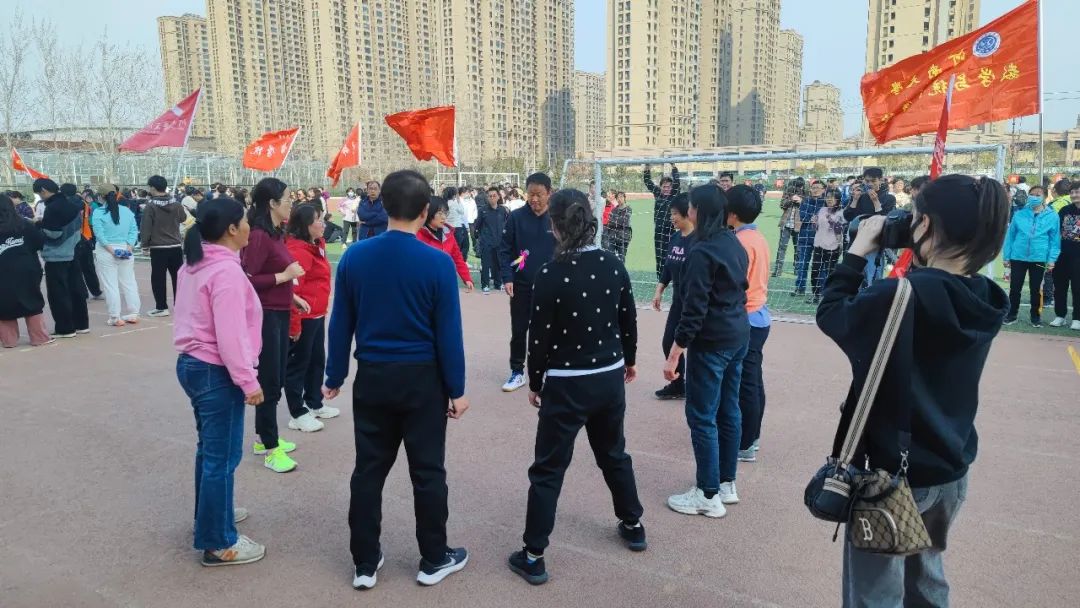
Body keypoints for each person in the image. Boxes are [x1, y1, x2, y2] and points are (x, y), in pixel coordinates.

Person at [816, 174, 1010, 607]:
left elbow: (832, 314)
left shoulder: (900, 295)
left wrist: (856, 252)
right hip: (949, 469)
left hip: (891, 475)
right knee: (926, 580)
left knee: (874, 594)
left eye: (914, 217)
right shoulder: (985, 296)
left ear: (926, 226)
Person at [323, 169, 471, 590]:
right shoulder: (437, 262)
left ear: (383, 205)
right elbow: (448, 333)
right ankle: (434, 557)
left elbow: (341, 322)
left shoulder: (354, 257)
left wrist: (335, 374)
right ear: (425, 211)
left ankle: (365, 562)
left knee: (368, 470)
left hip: (373, 377)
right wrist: (457, 389)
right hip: (423, 380)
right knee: (428, 471)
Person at [508, 188, 645, 585]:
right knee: (613, 453)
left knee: (549, 468)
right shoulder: (613, 264)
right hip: (608, 378)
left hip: (567, 384)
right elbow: (628, 319)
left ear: (554, 226)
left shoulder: (550, 273)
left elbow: (539, 336)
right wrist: (629, 360)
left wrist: (535, 381)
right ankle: (633, 524)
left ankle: (533, 555)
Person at [174, 196, 267, 567]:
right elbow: (230, 334)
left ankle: (212, 515)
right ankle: (218, 540)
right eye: (245, 221)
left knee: (210, 451)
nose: (249, 227)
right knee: (222, 457)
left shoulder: (196, 263)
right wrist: (248, 381)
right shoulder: (224, 271)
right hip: (216, 370)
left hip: (195, 365)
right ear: (231, 228)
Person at [663, 184, 749, 518]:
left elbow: (694, 309)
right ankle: (725, 483)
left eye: (692, 207)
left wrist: (675, 352)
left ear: (700, 210)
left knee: (702, 415)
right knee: (728, 409)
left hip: (713, 343)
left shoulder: (703, 251)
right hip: (736, 336)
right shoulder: (732, 242)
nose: (689, 212)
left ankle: (708, 493)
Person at [241, 177, 303, 474]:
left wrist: (293, 296)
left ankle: (262, 437)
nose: (291, 204)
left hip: (279, 311)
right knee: (269, 381)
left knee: (275, 378)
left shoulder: (275, 233)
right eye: (288, 199)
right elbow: (247, 279)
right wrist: (284, 277)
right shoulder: (258, 236)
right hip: (265, 316)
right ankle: (270, 447)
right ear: (272, 203)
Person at [498, 173, 557, 392]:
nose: (534, 199)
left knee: (550, 330)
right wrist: (508, 277)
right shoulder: (516, 217)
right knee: (519, 330)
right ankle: (517, 372)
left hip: (551, 287)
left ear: (549, 193)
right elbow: (505, 250)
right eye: (531, 194)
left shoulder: (557, 217)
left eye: (539, 194)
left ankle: (550, 369)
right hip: (522, 285)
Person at [283, 204, 339, 433]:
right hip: (303, 317)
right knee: (298, 365)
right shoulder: (298, 251)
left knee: (316, 360)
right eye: (318, 220)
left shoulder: (316, 245)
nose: (323, 223)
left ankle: (314, 402)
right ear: (306, 225)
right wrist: (295, 326)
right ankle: (297, 412)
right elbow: (292, 294)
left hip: (317, 314)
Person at [725, 186, 771, 463]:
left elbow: (734, 284)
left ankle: (746, 442)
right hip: (758, 315)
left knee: (746, 384)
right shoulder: (756, 237)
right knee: (753, 381)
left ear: (732, 213)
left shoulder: (740, 242)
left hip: (747, 318)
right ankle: (751, 438)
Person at [34, 178, 90, 338]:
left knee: (58, 294)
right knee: (76, 290)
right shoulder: (72, 204)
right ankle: (82, 325)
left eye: (39, 193)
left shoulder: (52, 208)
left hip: (56, 256)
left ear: (44, 190)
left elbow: (53, 233)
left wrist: (38, 225)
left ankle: (65, 328)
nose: (40, 197)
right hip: (73, 251)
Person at [652, 193, 693, 400]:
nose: (672, 218)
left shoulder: (700, 240)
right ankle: (678, 385)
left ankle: (701, 388)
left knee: (697, 347)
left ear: (688, 213)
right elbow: (668, 266)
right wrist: (659, 289)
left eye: (675, 213)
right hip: (678, 301)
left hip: (695, 303)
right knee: (669, 341)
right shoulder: (676, 238)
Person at [0, 193, 53, 348]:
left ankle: (9, 341)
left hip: (3, 271)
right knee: (32, 300)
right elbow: (40, 242)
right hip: (27, 268)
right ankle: (39, 337)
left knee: (4, 304)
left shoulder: (24, 223)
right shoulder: (25, 224)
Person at [1003, 191, 1060, 327]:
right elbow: (1010, 236)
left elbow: (1055, 240)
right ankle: (1012, 315)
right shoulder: (1019, 214)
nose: (1034, 197)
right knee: (1015, 288)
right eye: (1032, 194)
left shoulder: (1052, 216)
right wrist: (1006, 256)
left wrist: (1051, 259)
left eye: (1038, 194)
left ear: (1044, 197)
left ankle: (1035, 317)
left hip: (1039, 258)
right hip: (1018, 257)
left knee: (1036, 289)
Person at [90, 188, 141, 326]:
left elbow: (99, 234)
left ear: (101, 197)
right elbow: (133, 230)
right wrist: (129, 248)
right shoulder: (127, 211)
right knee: (129, 282)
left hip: (106, 250)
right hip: (125, 248)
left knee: (110, 285)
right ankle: (134, 313)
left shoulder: (98, 212)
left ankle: (115, 316)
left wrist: (112, 250)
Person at [140, 175, 187, 318]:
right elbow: (183, 218)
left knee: (158, 278)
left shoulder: (150, 206)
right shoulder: (176, 204)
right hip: (176, 246)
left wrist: (144, 245)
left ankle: (161, 307)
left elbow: (146, 227)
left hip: (158, 247)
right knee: (178, 278)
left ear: (153, 188)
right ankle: (181, 306)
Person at [844, 168, 896, 287]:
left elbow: (885, 220)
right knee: (854, 276)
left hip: (875, 242)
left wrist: (876, 202)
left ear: (881, 180)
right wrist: (854, 200)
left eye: (873, 181)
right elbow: (848, 216)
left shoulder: (889, 198)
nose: (870, 184)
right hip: (857, 240)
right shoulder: (860, 196)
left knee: (873, 276)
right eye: (867, 181)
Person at [417, 196, 475, 290]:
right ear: (429, 213)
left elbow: (457, 257)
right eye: (440, 213)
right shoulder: (418, 235)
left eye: (445, 213)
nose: (444, 217)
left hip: (446, 283)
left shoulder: (448, 233)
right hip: (425, 286)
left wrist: (467, 278)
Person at [64, 183, 103, 301]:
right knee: (89, 267)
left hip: (72, 239)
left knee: (76, 269)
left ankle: (83, 294)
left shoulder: (65, 205)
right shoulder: (84, 203)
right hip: (86, 237)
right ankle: (96, 291)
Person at [1050, 182, 1080, 330]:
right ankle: (1060, 316)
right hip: (1062, 255)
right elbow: (1056, 232)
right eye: (1072, 192)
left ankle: (1077, 318)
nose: (1074, 195)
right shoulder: (1064, 210)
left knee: (1077, 288)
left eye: (1077, 192)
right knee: (1060, 287)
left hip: (1078, 257)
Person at [644, 164, 681, 280]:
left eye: (668, 187)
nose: (666, 189)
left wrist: (674, 167)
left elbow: (677, 182)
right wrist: (647, 169)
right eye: (664, 187)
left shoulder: (673, 195)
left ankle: (673, 276)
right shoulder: (658, 194)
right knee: (659, 255)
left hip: (670, 230)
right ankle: (660, 277)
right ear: (660, 187)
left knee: (671, 255)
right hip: (659, 231)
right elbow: (648, 182)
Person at [809, 188, 846, 304]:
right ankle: (815, 295)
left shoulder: (841, 212)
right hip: (818, 244)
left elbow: (839, 230)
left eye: (832, 197)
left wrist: (831, 221)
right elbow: (816, 228)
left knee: (830, 273)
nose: (829, 199)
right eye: (828, 197)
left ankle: (829, 296)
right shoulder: (822, 210)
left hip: (832, 246)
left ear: (837, 199)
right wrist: (814, 223)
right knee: (815, 271)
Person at [793, 181, 827, 296]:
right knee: (802, 264)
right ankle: (800, 288)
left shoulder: (826, 202)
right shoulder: (806, 201)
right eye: (813, 187)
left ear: (823, 189)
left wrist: (818, 218)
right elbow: (803, 216)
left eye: (818, 187)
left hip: (821, 239)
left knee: (820, 266)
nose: (815, 190)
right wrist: (814, 217)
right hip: (805, 237)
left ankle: (820, 290)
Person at [473, 186, 509, 294]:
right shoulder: (482, 210)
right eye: (490, 196)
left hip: (499, 242)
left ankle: (498, 283)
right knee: (486, 264)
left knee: (498, 263)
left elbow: (506, 224)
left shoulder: (503, 210)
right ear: (487, 197)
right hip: (486, 242)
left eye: (494, 196)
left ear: (498, 197)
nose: (492, 198)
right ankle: (485, 285)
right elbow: (477, 226)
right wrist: (479, 237)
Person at [773, 178, 805, 277]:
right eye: (797, 186)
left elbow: (808, 208)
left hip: (799, 225)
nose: (798, 188)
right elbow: (782, 205)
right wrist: (791, 199)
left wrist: (801, 201)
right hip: (786, 224)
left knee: (798, 248)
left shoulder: (806, 194)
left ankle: (797, 270)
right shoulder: (788, 193)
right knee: (781, 247)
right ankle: (778, 270)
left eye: (800, 186)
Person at [601, 191, 633, 261]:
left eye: (621, 197)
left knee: (621, 259)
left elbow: (624, 222)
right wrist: (617, 220)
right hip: (612, 237)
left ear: (624, 198)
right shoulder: (614, 210)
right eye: (618, 197)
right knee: (610, 258)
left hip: (623, 238)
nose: (619, 199)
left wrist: (615, 220)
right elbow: (610, 222)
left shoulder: (628, 209)